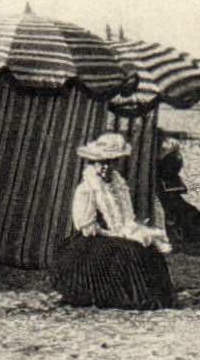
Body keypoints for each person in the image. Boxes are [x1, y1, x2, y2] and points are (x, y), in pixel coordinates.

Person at [54, 133, 176, 310]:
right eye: (101, 162)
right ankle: (129, 297)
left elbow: (125, 219)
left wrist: (133, 232)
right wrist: (119, 236)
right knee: (127, 251)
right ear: (93, 163)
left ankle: (156, 296)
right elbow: (88, 227)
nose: (105, 167)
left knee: (147, 248)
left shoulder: (118, 185)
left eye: (109, 162)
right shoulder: (87, 189)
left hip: (115, 234)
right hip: (93, 240)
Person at [155, 136, 200, 243]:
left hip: (169, 184)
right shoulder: (168, 154)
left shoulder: (171, 154)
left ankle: (188, 233)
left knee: (184, 211)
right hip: (165, 186)